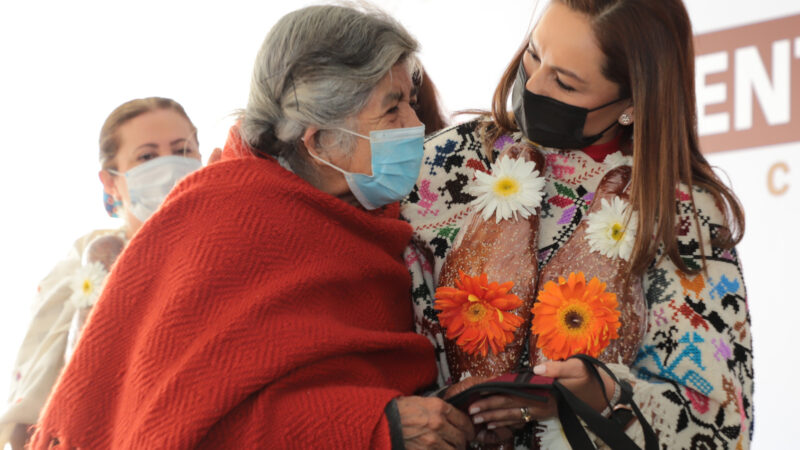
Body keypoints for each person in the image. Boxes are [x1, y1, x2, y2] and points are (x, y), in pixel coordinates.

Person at [30, 5, 474, 449]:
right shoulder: (225, 218)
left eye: (410, 103)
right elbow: (183, 423)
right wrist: (371, 427)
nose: (416, 127)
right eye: (392, 108)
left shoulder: (376, 222)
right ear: (320, 139)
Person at [402, 0, 752, 448]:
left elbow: (721, 427)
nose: (534, 82)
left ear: (631, 102)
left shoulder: (680, 211)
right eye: (534, 53)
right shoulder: (443, 163)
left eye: (565, 82)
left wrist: (603, 397)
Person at [0, 97, 208, 449]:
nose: (171, 165)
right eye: (146, 157)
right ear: (110, 181)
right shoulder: (88, 264)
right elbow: (45, 401)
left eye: (183, 150)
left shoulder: (233, 243)